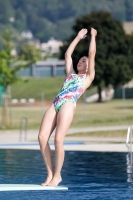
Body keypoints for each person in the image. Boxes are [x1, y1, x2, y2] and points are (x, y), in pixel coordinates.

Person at [38, 28, 97, 187]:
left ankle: (57, 176)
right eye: (80, 60)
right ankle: (50, 173)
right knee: (42, 137)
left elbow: (92, 54)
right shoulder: (70, 74)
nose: (81, 61)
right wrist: (78, 37)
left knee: (58, 139)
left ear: (89, 65)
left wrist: (93, 36)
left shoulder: (87, 78)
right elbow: (67, 54)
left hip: (68, 104)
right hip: (56, 102)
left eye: (84, 61)